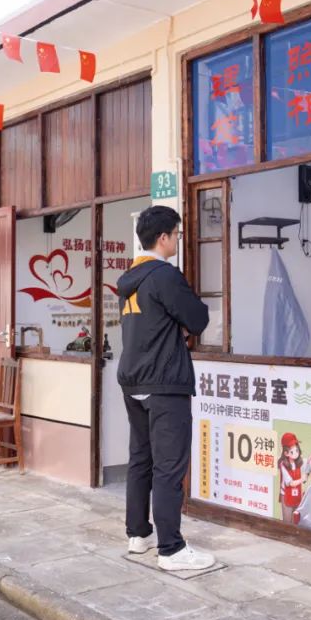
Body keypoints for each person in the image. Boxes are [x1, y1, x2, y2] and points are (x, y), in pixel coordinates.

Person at [116, 205, 214, 572]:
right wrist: (184, 325)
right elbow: (198, 318)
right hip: (164, 382)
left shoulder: (129, 279)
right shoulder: (165, 276)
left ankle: (138, 535)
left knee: (141, 459)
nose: (178, 240)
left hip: (133, 379)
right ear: (163, 237)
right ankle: (171, 549)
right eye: (176, 234)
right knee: (169, 467)